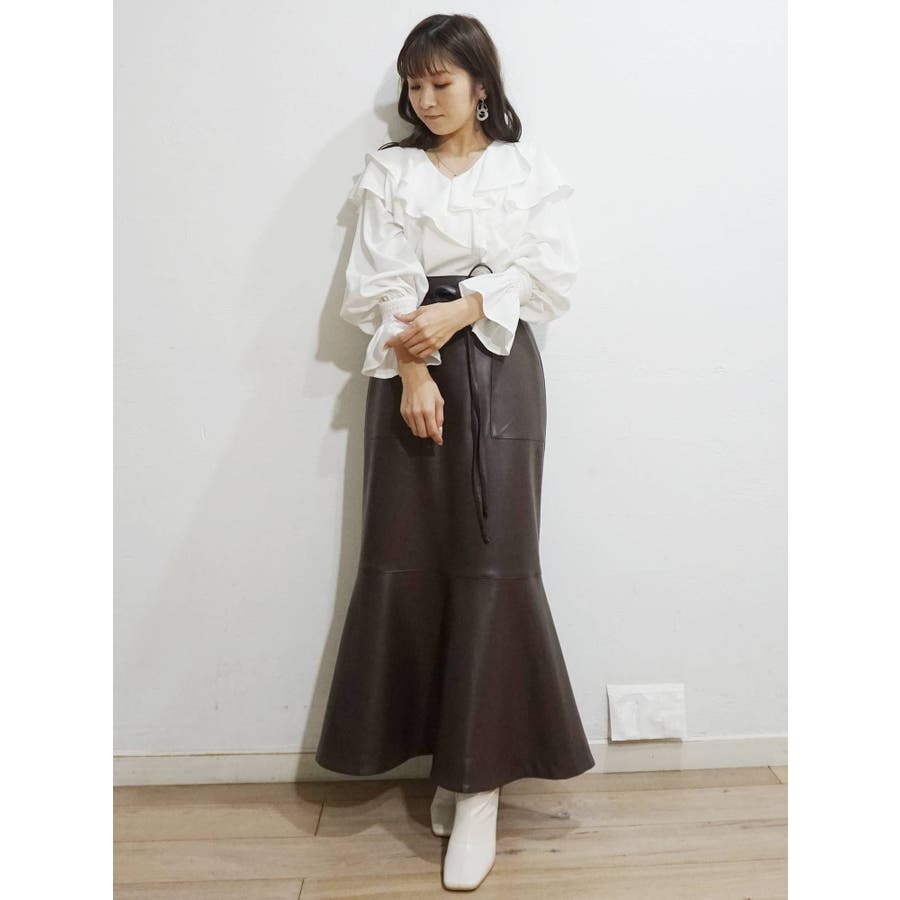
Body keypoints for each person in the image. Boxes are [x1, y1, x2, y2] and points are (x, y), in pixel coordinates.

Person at [316, 13, 595, 891]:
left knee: (494, 564)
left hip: (502, 372)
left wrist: (464, 310)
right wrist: (413, 368)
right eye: (414, 84)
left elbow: (552, 274)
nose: (426, 99)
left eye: (441, 82)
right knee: (407, 560)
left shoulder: (527, 169)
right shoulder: (392, 172)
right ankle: (450, 759)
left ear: (481, 85)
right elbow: (379, 278)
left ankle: (479, 790)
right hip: (409, 368)